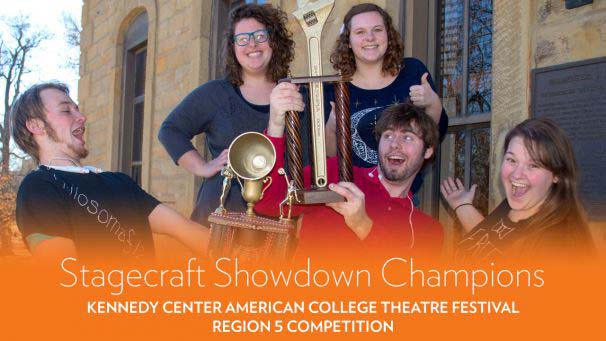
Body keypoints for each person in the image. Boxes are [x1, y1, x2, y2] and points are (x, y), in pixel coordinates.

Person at [11, 82, 209, 262]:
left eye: (77, 109)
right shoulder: (38, 187)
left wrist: (236, 257)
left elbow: (184, 229)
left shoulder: (120, 182)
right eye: (66, 110)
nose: (81, 117)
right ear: (35, 125)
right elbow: (64, 278)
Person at [256, 86, 443, 258]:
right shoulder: (335, 175)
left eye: (408, 137)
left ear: (428, 151)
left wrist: (362, 225)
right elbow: (267, 202)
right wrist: (276, 125)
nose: (395, 144)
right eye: (388, 135)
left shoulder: (427, 230)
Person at [158, 3, 297, 226]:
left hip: (277, 224)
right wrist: (203, 168)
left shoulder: (294, 94)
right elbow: (170, 131)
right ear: (233, 47)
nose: (252, 43)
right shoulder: (215, 94)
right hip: (217, 222)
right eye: (242, 38)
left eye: (260, 35)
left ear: (275, 40)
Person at [440, 118, 594, 262]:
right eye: (511, 160)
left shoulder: (558, 245)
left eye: (533, 165)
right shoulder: (511, 206)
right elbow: (489, 242)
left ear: (557, 175)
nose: (517, 174)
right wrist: (462, 206)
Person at [324, 3, 448, 177]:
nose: (370, 38)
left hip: (403, 191)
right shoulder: (333, 89)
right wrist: (332, 126)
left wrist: (433, 104)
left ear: (388, 35)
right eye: (360, 32)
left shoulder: (413, 72)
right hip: (353, 192)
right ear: (348, 42)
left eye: (377, 29)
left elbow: (432, 139)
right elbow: (328, 158)